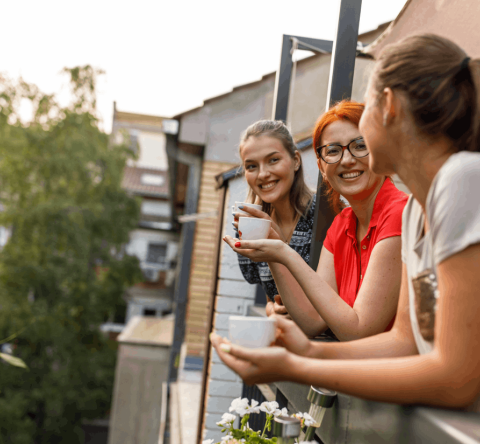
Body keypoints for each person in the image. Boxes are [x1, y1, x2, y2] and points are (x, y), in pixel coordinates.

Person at [212, 34, 480, 411]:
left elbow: (456, 378)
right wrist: (306, 353)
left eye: (364, 113)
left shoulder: (463, 179)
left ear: (387, 106)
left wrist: (299, 366)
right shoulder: (421, 208)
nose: (348, 157)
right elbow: (403, 341)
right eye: (332, 150)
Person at [227, 101, 408, 340]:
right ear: (321, 166)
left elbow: (358, 331)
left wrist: (283, 252)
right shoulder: (341, 224)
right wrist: (275, 253)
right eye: (333, 151)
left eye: (360, 145)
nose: (346, 160)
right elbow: (313, 320)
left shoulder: (399, 213)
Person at [233, 120, 315, 305]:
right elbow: (270, 297)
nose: (262, 174)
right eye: (252, 166)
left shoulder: (325, 214)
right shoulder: (249, 224)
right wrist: (272, 309)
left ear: (295, 161)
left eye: (273, 160)